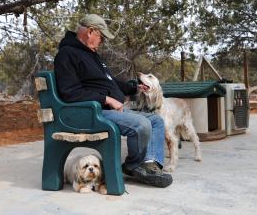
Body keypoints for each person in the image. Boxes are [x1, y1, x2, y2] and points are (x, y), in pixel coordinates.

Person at [54, 14, 172, 188]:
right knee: (141, 124)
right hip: (90, 112)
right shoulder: (67, 55)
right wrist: (106, 99)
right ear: (90, 32)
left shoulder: (92, 55)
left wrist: (134, 88)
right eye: (101, 36)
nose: (102, 41)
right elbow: (70, 93)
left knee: (155, 120)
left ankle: (149, 165)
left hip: (107, 110)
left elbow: (109, 82)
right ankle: (134, 165)